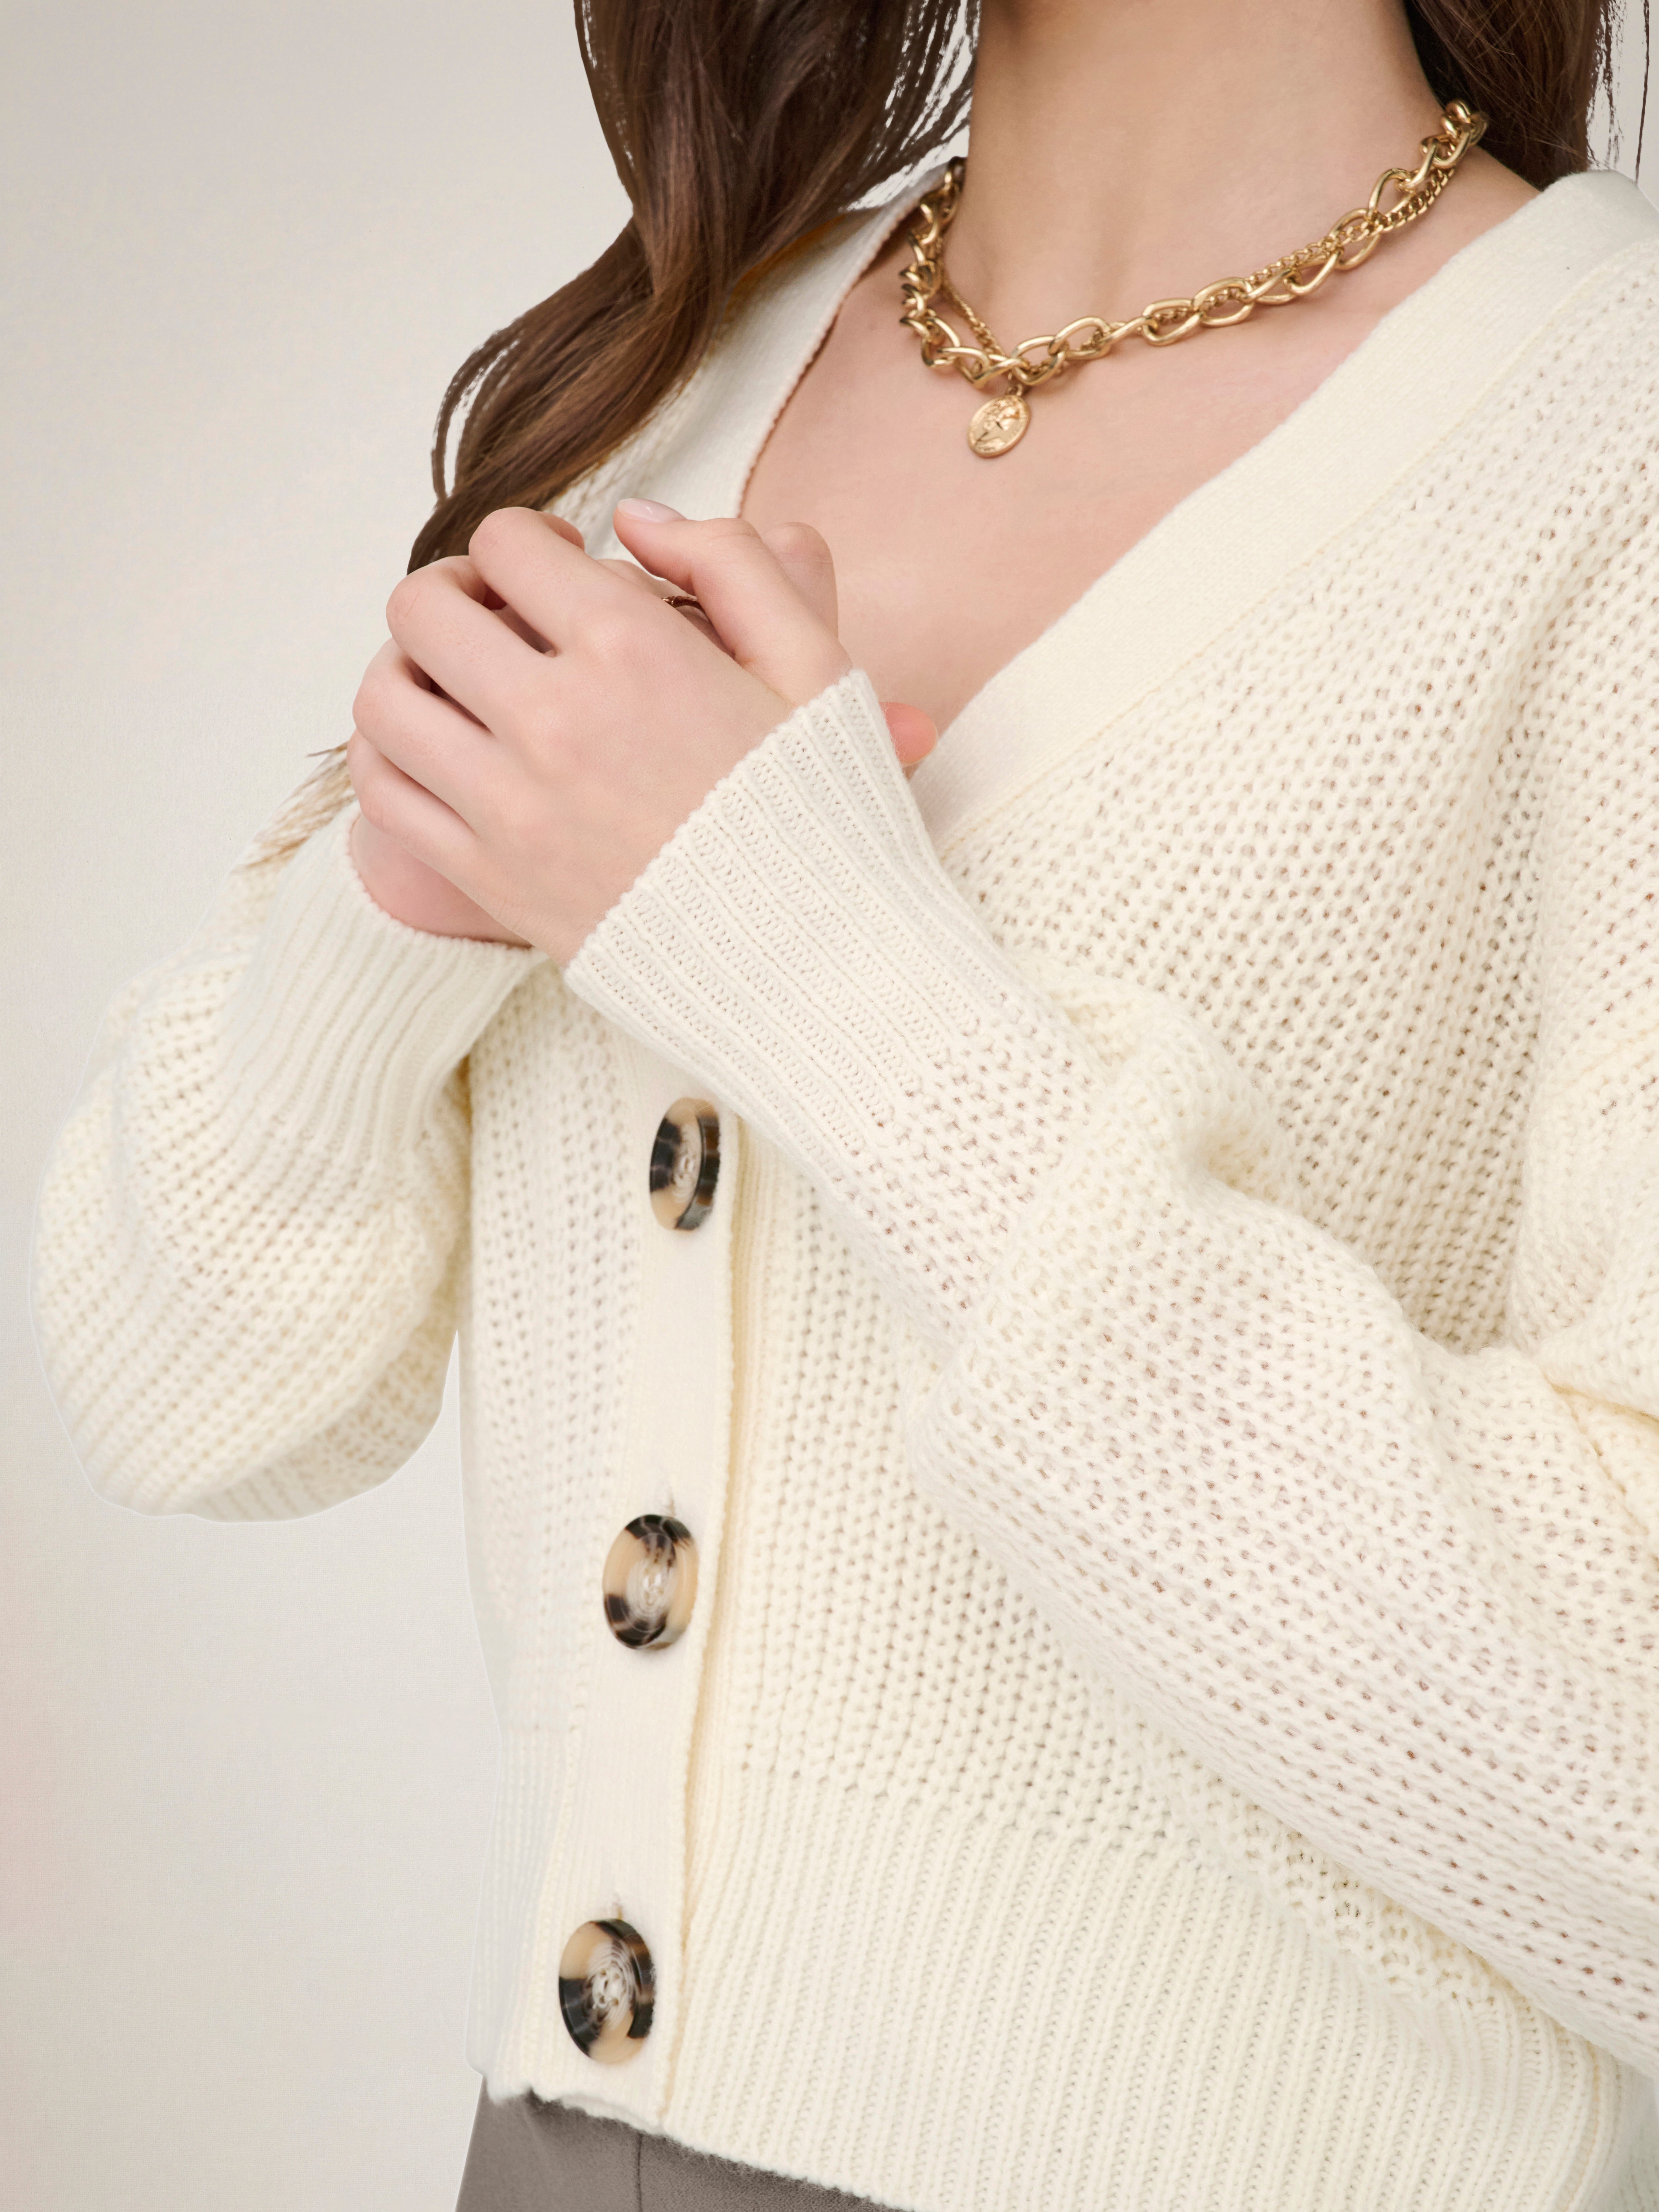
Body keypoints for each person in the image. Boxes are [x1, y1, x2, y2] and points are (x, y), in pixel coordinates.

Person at [31, 0, 1659, 2206]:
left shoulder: (1609, 448)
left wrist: (816, 971)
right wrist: (391, 912)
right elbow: (180, 1396)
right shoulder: (674, 379)